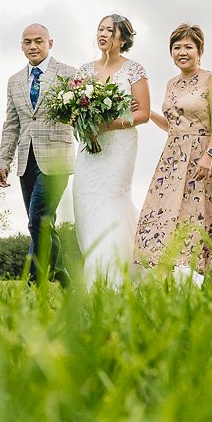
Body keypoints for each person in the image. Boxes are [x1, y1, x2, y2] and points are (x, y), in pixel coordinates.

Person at [135, 23, 212, 276]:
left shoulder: (211, 79)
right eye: (176, 47)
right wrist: (147, 114)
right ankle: (170, 272)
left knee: (199, 213)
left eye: (188, 46)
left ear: (200, 51)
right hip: (173, 158)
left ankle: (203, 272)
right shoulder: (171, 84)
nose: (182, 52)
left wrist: (208, 156)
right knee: (165, 212)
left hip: (202, 154)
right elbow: (172, 125)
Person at [72, 14, 150, 285]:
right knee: (86, 204)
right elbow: (75, 111)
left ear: (123, 39)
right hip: (89, 148)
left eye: (110, 30)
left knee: (111, 203)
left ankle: (108, 278)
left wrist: (109, 125)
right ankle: (105, 264)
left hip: (120, 148)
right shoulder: (83, 71)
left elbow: (143, 113)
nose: (103, 33)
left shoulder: (134, 70)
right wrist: (82, 125)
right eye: (100, 29)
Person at [0, 22, 77, 282]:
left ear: (49, 43)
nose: (33, 46)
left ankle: (35, 281)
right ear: (22, 46)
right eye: (27, 42)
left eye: (38, 41)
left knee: (38, 220)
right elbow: (12, 124)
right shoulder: (14, 81)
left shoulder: (68, 74)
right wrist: (3, 161)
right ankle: (63, 274)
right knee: (43, 223)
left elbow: (80, 114)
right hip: (25, 160)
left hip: (56, 158)